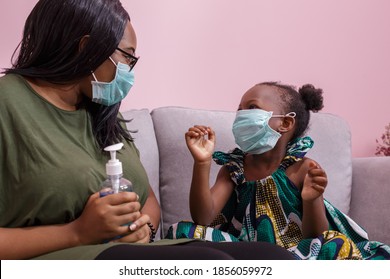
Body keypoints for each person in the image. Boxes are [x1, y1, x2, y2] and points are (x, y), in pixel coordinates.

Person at [0, 0, 294, 260]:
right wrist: (77, 232)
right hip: (61, 257)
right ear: (86, 48)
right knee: (208, 264)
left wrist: (145, 227)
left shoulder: (101, 113)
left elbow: (148, 200)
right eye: (127, 56)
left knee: (274, 259)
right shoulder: (8, 103)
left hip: (131, 251)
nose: (130, 68)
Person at [166, 82, 390, 260]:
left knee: (334, 244)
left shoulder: (303, 169)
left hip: (294, 253)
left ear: (285, 123)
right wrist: (202, 163)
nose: (241, 115)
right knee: (183, 231)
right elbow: (203, 218)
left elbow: (316, 237)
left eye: (251, 108)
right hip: (244, 250)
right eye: (239, 109)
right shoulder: (233, 168)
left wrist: (312, 200)